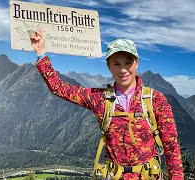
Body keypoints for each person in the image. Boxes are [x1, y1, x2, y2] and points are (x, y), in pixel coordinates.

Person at [30, 27, 183, 180]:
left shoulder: (155, 100)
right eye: (116, 63)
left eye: (128, 62)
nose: (123, 69)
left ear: (136, 63)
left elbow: (171, 147)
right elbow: (59, 88)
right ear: (109, 66)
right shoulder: (100, 98)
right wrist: (41, 53)